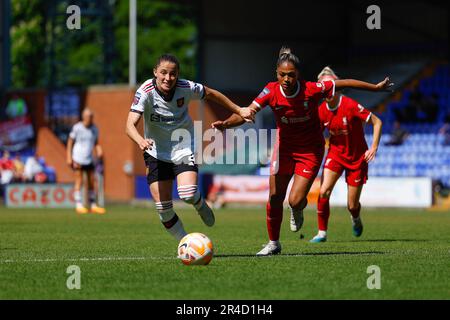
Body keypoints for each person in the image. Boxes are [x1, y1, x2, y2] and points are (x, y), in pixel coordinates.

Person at [212, 46, 393, 256]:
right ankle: (273, 243)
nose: (286, 79)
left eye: (291, 75)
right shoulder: (270, 91)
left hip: (310, 151)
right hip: (285, 149)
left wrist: (375, 87)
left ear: (298, 75)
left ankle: (297, 210)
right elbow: (246, 112)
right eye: (282, 75)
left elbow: (346, 82)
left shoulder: (312, 89)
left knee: (295, 200)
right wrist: (225, 124)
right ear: (276, 74)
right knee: (274, 196)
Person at [126, 53, 254, 242]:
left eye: (173, 74)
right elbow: (129, 125)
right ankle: (187, 243)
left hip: (182, 145)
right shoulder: (145, 91)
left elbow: (211, 94)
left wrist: (238, 109)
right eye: (163, 73)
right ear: (155, 72)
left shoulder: (186, 87)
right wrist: (140, 140)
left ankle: (199, 202)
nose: (168, 78)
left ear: (177, 75)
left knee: (186, 193)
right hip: (155, 151)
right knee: (163, 208)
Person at [309, 67, 383, 243]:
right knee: (324, 191)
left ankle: (356, 218)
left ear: (336, 86)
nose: (325, 88)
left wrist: (373, 147)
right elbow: (315, 136)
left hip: (357, 158)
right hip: (335, 155)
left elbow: (377, 121)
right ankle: (322, 233)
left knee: (351, 205)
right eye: (322, 85)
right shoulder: (321, 111)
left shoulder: (349, 105)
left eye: (329, 84)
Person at [66, 108, 105, 214]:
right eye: (89, 116)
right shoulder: (77, 128)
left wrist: (99, 149)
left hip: (89, 158)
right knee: (79, 180)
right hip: (78, 157)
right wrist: (69, 157)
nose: (90, 119)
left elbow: (95, 142)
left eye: (92, 117)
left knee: (92, 181)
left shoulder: (94, 129)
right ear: (84, 117)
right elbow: (70, 142)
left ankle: (92, 205)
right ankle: (78, 205)